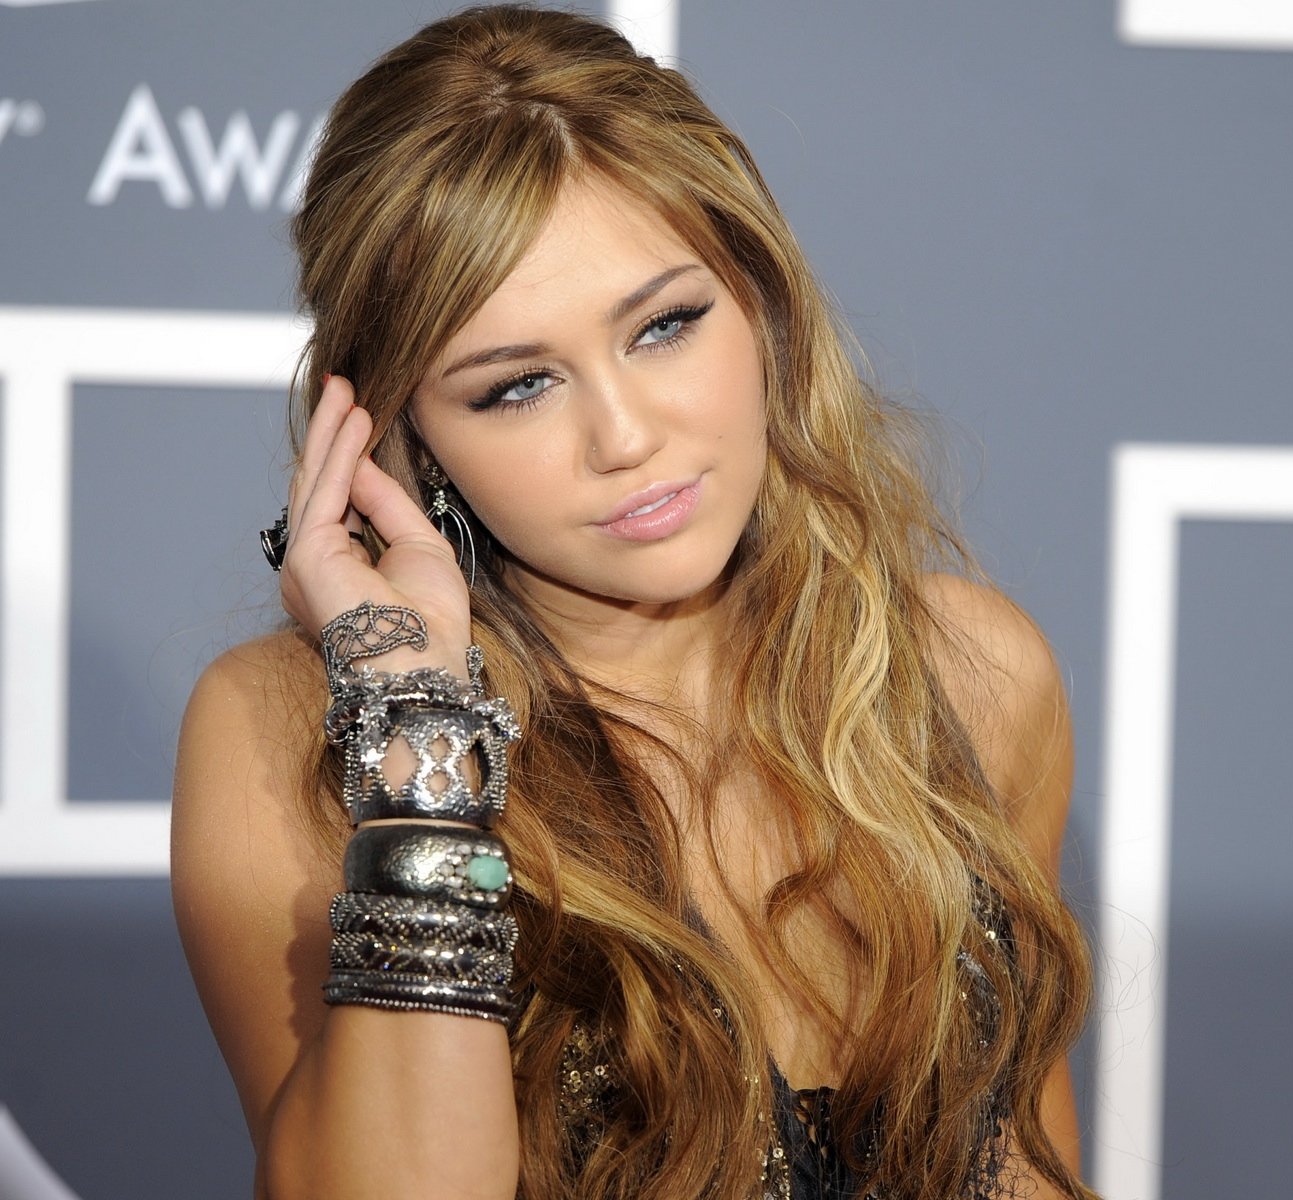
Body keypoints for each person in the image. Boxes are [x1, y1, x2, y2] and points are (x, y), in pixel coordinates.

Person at [168, 6, 1096, 1199]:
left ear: (759, 301)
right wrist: (416, 728)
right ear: (401, 437)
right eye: (517, 388)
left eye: (664, 325)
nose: (627, 436)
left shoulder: (968, 674)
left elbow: (1027, 1161)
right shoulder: (296, 734)